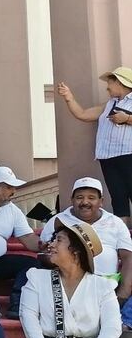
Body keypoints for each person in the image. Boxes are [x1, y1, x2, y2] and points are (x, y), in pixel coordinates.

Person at [40, 177, 132, 336]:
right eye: (80, 197)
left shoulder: (115, 223)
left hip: (108, 282)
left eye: (91, 197)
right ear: (72, 200)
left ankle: (125, 323)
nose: (85, 202)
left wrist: (123, 293)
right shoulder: (58, 221)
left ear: (101, 201)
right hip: (70, 282)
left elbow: (128, 258)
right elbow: (47, 253)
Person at [57, 67, 132, 227]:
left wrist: (127, 119)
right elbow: (83, 114)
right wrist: (68, 97)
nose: (107, 88)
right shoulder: (109, 105)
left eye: (110, 83)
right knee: (118, 196)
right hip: (107, 157)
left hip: (129, 154)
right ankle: (122, 232)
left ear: (120, 82)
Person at [0, 166, 40, 319]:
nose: (14, 191)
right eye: (9, 187)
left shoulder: (12, 209)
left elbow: (28, 239)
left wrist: (45, 245)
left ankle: (17, 303)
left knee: (31, 264)